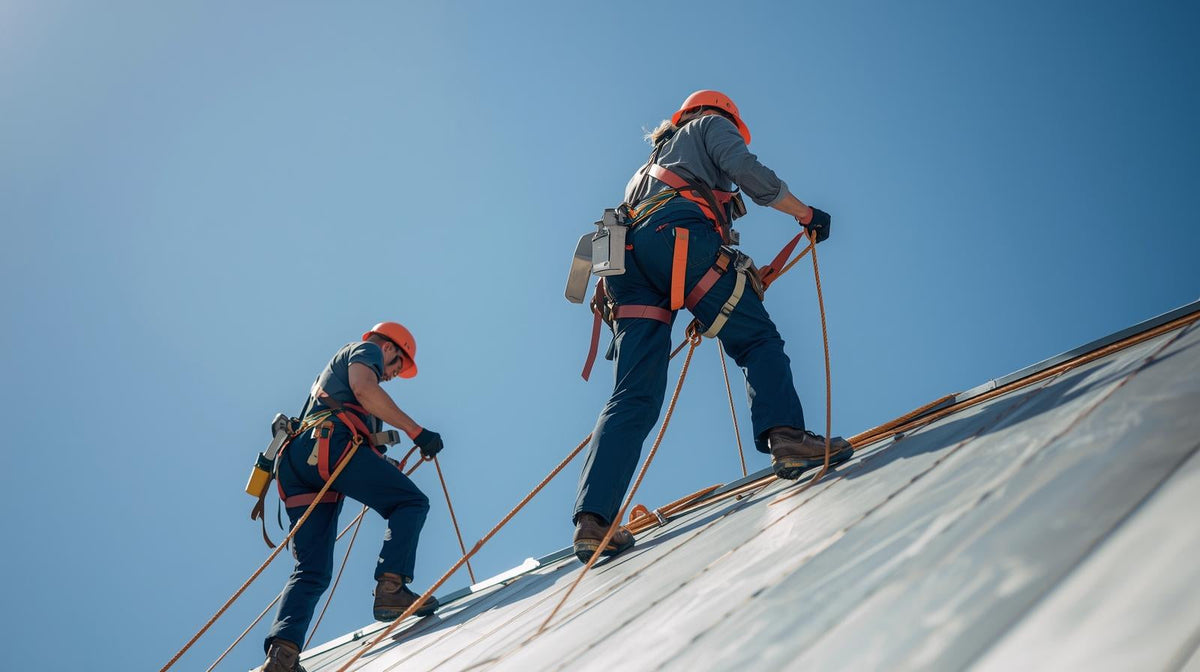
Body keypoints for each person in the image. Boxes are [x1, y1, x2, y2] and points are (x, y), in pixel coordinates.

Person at [572, 90, 853, 562]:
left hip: (628, 266)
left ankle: (593, 520)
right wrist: (806, 214)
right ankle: (786, 437)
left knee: (632, 396)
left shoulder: (642, 173)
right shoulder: (709, 126)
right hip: (676, 239)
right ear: (720, 116)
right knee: (757, 338)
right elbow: (747, 172)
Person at [261, 322, 445, 672]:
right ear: (390, 348)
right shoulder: (366, 352)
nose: (391, 375)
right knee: (411, 502)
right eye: (396, 367)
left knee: (312, 570)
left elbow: (361, 436)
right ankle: (391, 586)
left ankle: (281, 656)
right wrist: (417, 431)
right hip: (327, 448)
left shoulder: (329, 384)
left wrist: (387, 464)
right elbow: (364, 389)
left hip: (301, 465)